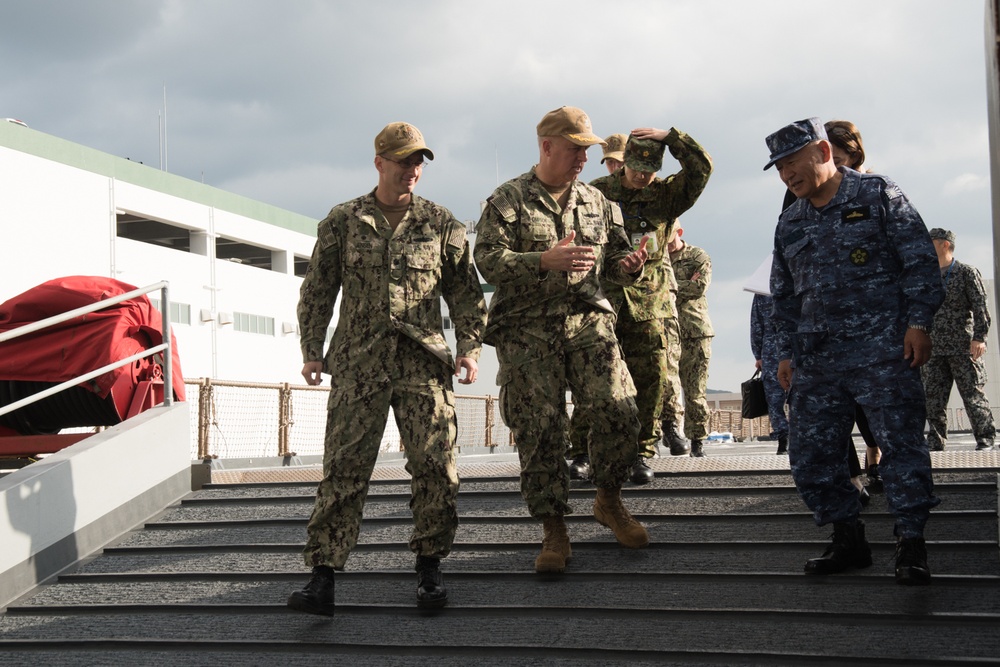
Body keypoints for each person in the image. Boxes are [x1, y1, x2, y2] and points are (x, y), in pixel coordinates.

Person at [288, 121, 487, 614]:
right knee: (344, 470)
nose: (412, 170)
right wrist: (313, 349)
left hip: (423, 364)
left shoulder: (442, 223)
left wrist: (470, 348)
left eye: (419, 161)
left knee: (436, 467)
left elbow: (465, 292)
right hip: (359, 364)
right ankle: (323, 577)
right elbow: (318, 289)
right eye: (403, 160)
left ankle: (429, 569)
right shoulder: (343, 220)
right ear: (379, 162)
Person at [765, 118, 944, 585]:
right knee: (812, 457)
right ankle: (848, 538)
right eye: (780, 168)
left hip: (883, 352)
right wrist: (784, 353)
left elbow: (920, 262)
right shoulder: (789, 221)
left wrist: (919, 323)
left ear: (822, 152)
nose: (787, 176)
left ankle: (911, 542)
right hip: (817, 361)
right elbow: (782, 296)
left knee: (902, 449)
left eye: (792, 164)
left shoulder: (877, 194)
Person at [474, 106, 651, 574]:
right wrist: (541, 261)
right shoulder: (507, 200)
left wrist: (628, 266)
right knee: (539, 430)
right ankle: (554, 529)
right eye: (575, 149)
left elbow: (612, 259)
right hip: (527, 330)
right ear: (547, 146)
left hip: (587, 322)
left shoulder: (597, 202)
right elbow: (487, 260)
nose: (583, 159)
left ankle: (608, 500)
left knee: (619, 409)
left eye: (587, 151)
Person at [572, 128, 713, 484]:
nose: (641, 176)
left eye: (649, 171)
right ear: (624, 162)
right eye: (635, 168)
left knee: (652, 379)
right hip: (605, 300)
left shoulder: (665, 196)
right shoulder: (597, 193)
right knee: (595, 377)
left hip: (651, 303)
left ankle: (641, 454)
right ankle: (581, 453)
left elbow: (702, 170)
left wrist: (674, 137)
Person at [922, 227, 996, 451]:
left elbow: (980, 307)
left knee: (973, 395)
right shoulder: (926, 275)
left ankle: (985, 438)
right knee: (933, 399)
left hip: (962, 346)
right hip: (933, 348)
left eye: (932, 241)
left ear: (945, 244)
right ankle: (935, 441)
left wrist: (979, 337)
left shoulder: (965, 272)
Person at [668, 225, 714, 456]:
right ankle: (669, 437)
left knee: (695, 392)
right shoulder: (655, 259)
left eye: (669, 232)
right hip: (666, 331)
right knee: (666, 390)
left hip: (695, 331)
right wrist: (683, 283)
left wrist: (668, 286)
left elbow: (699, 287)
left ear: (680, 232)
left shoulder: (698, 256)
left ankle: (697, 441)